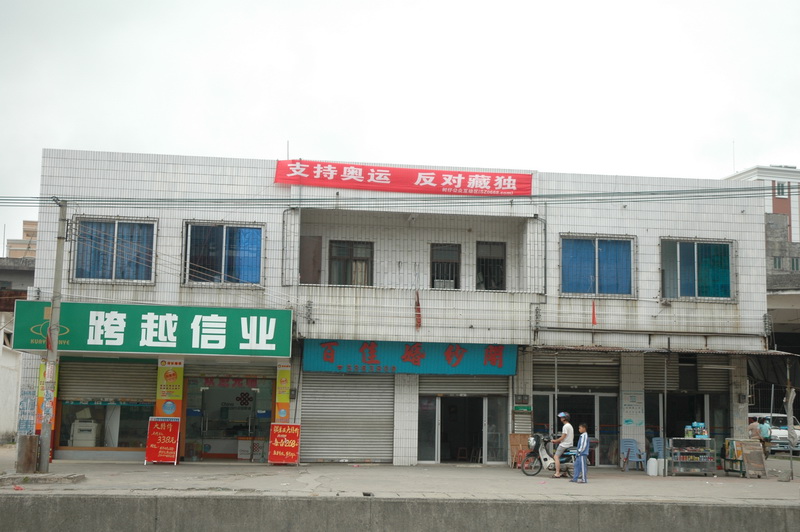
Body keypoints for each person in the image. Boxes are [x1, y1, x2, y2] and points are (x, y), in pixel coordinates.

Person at [551, 412, 574, 478]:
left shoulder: (565, 426)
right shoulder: (570, 425)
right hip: (569, 444)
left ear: (565, 418)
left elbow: (563, 436)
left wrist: (555, 441)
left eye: (562, 417)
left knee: (556, 457)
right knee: (565, 459)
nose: (560, 418)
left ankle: (557, 473)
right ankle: (565, 473)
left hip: (564, 445)